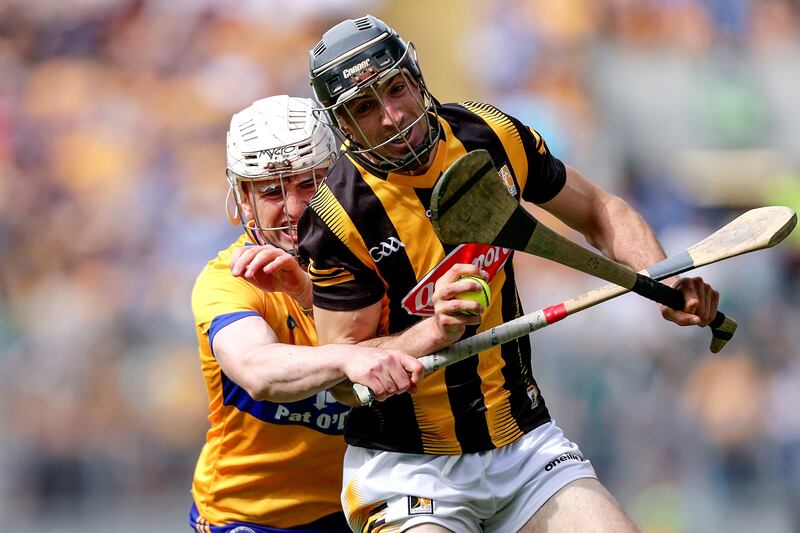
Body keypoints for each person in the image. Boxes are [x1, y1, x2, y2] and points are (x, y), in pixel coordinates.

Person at [298, 15, 721, 533]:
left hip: (524, 443)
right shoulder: (338, 215)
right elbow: (344, 373)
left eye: (396, 88)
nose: (392, 115)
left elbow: (601, 211)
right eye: (365, 107)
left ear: (416, 76)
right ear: (343, 126)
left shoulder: (490, 134)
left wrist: (665, 279)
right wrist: (433, 332)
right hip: (411, 469)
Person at [189, 94, 425, 532]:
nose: (295, 209)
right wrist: (348, 356)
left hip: (371, 499)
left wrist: (306, 294)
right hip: (252, 517)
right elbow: (257, 370)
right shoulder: (229, 278)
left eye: (308, 184)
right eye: (271, 191)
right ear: (243, 199)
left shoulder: (385, 258)